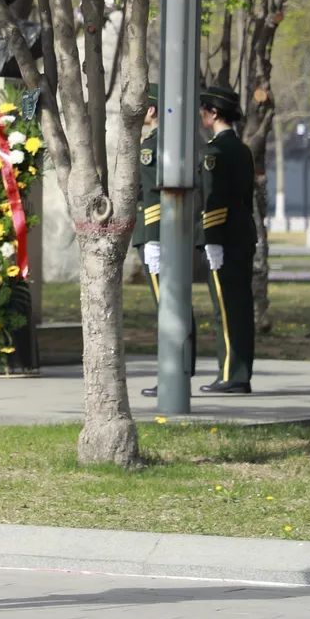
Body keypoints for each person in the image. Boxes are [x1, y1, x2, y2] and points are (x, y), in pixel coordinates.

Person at [134, 84, 197, 398]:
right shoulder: (161, 143)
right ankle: (179, 370)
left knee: (169, 307)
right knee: (173, 305)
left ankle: (174, 373)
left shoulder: (155, 146)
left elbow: (156, 196)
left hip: (157, 234)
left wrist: (154, 238)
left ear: (152, 110)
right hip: (157, 232)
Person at [197, 85, 255, 394]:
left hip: (224, 238)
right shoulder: (242, 149)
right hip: (242, 235)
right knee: (241, 307)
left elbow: (214, 199)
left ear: (214, 112)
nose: (201, 115)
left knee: (227, 310)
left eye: (204, 109)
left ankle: (231, 374)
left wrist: (212, 238)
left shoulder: (215, 152)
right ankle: (240, 372)